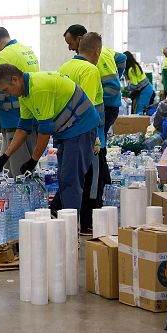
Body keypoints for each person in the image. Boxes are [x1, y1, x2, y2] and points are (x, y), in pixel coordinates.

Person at [0, 65, 99, 219]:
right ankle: (59, 217)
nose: (7, 94)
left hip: (81, 126)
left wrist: (33, 160)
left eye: (6, 90)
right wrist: (5, 155)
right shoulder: (25, 94)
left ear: (15, 79)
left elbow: (45, 130)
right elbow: (23, 128)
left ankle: (71, 228)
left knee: (70, 178)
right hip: (68, 130)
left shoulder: (38, 88)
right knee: (64, 176)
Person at [57, 32, 106, 232]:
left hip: (64, 131)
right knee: (90, 182)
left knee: (68, 178)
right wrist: (95, 138)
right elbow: (86, 105)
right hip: (85, 134)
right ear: (97, 51)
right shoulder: (90, 70)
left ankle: (62, 217)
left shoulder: (65, 67)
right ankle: (83, 224)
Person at [0, 27, 40, 177]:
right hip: (31, 115)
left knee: (19, 173)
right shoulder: (26, 50)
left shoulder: (3, 57)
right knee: (8, 168)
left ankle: (22, 200)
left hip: (15, 122)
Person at [63, 24, 126, 137]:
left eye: (70, 43)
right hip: (105, 106)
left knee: (98, 141)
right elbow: (121, 58)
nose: (70, 48)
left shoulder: (96, 56)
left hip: (107, 106)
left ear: (79, 39)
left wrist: (99, 97)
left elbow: (112, 87)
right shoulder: (102, 51)